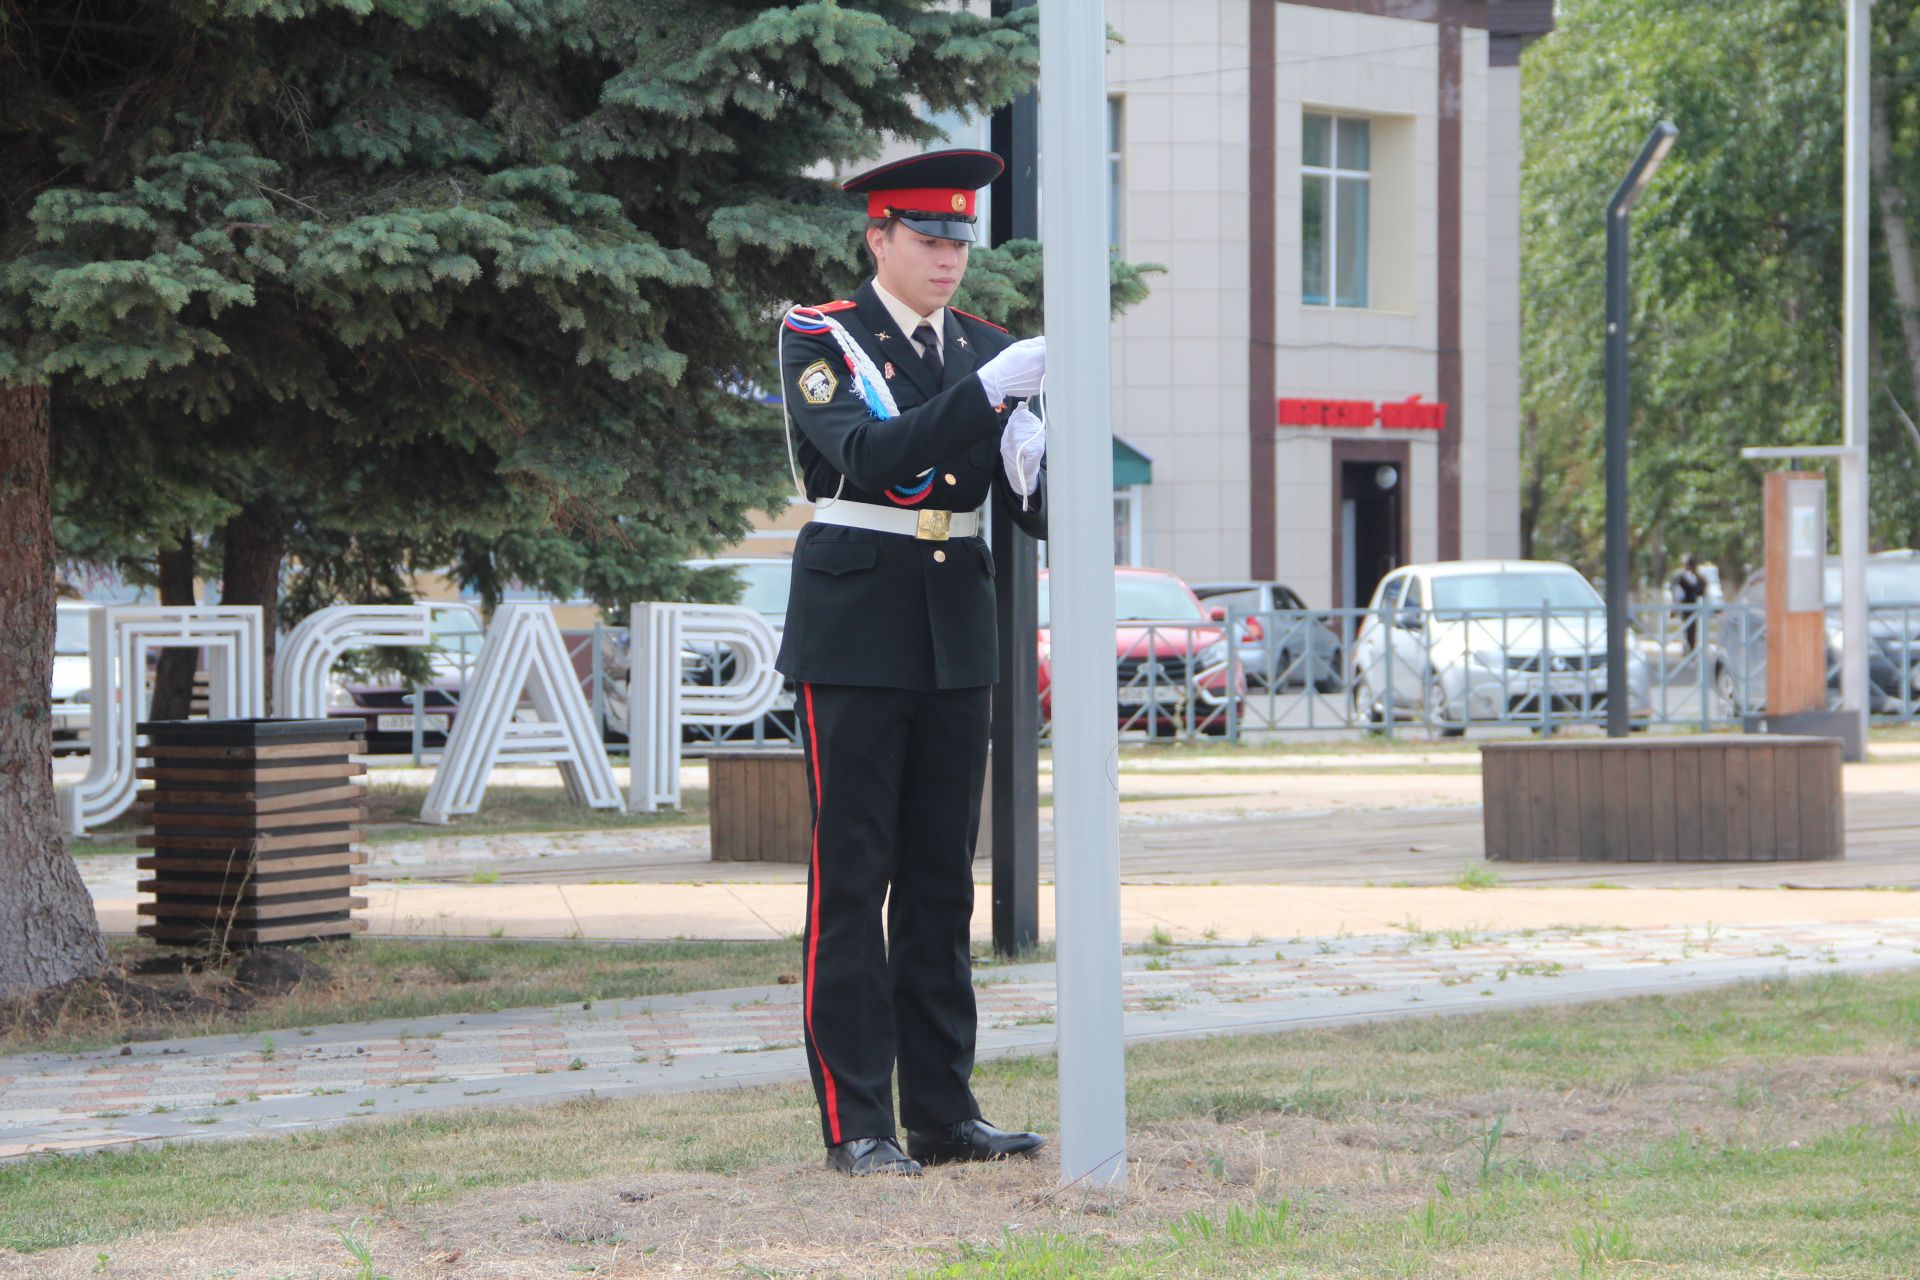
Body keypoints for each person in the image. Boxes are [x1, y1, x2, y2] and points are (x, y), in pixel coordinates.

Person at [775, 148, 1051, 1178]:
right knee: (853, 879)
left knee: (940, 882)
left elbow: (1025, 504)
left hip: (953, 621)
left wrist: (1033, 469)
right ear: (878, 237)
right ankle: (859, 1122)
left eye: (959, 241)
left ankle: (941, 1109)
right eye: (928, 239)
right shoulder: (823, 334)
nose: (949, 258)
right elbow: (872, 458)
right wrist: (987, 398)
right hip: (856, 620)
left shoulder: (986, 347)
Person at [1671, 553, 1708, 652]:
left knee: (1693, 628)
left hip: (1696, 606)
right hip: (1685, 606)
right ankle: (1688, 646)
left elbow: (1701, 590)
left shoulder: (1699, 578)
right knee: (1687, 627)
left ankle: (1691, 646)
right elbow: (1676, 591)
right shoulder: (1680, 578)